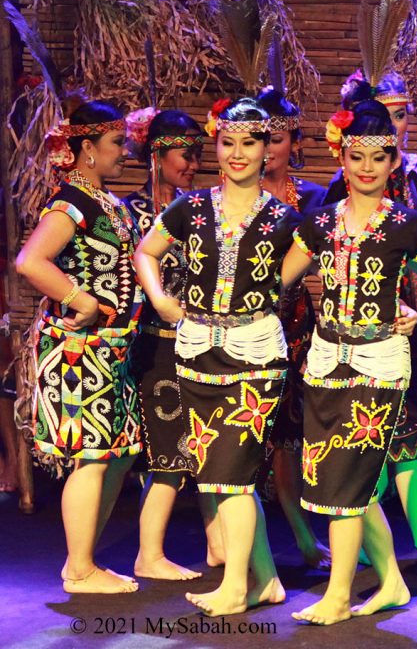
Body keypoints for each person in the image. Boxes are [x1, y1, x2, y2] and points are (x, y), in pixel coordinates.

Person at [281, 98, 417, 624]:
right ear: (342, 158)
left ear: (392, 161)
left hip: (378, 365)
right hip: (324, 361)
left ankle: (339, 595)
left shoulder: (408, 225)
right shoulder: (319, 224)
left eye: (378, 157)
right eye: (356, 156)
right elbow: (277, 279)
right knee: (344, 482)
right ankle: (390, 581)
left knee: (347, 480)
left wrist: (411, 306)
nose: (366, 168)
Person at [134, 97, 294, 615]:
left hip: (254, 355)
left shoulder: (284, 219)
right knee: (223, 473)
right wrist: (160, 300)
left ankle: (235, 587)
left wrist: (396, 307)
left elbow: (342, 260)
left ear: (267, 149)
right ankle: (265, 580)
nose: (238, 153)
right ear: (217, 145)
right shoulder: (191, 208)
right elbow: (145, 252)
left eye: (250, 143)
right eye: (228, 142)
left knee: (232, 473)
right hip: (196, 353)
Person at [326, 70, 417, 566]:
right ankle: (374, 544)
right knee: (357, 440)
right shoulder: (340, 193)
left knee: (404, 432)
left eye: (401, 113)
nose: (394, 123)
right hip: (354, 333)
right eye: (383, 113)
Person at [16, 99, 143, 594]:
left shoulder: (102, 199)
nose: (125, 151)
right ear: (86, 148)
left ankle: (83, 557)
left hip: (110, 348)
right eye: (116, 143)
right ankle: (79, 567)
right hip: (80, 350)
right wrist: (79, 298)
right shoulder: (71, 201)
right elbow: (32, 260)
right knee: (93, 455)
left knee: (117, 453)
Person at [122, 107, 220, 580]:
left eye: (199, 153)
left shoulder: (195, 210)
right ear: (156, 154)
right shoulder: (131, 213)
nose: (194, 162)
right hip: (155, 344)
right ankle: (150, 554)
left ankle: (219, 544)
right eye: (186, 153)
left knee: (202, 448)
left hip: (198, 344)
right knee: (168, 456)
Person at [253, 86, 334, 568]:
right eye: (259, 138)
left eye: (276, 139)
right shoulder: (222, 200)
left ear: (292, 143)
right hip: (234, 320)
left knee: (288, 432)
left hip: (295, 323)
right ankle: (226, 539)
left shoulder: (313, 198)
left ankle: (304, 533)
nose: (267, 149)